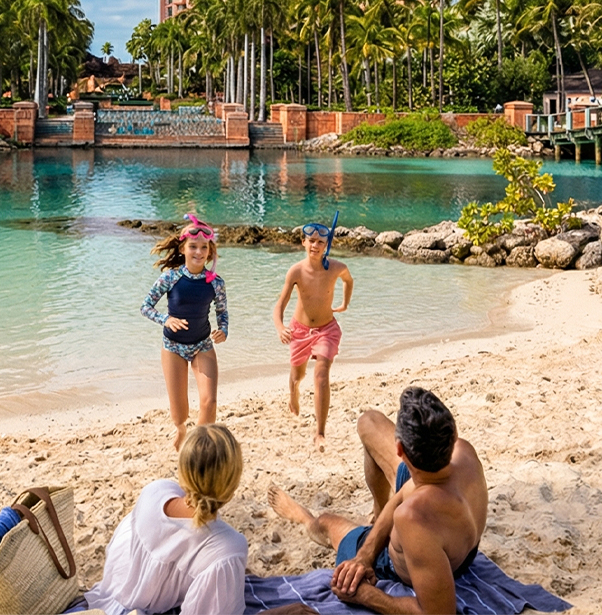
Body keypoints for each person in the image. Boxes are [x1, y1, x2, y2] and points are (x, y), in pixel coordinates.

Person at [269, 387, 487, 615]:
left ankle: (303, 517)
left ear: (400, 449)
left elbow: (439, 613)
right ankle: (377, 510)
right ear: (452, 435)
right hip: (457, 533)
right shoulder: (464, 453)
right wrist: (365, 555)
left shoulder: (413, 517)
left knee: (326, 522)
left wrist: (366, 595)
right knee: (369, 421)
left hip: (418, 558)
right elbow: (405, 494)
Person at [84, 424, 247, 615]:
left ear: (183, 471)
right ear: (232, 481)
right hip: (144, 603)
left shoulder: (156, 490)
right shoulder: (227, 547)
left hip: (115, 589)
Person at [142, 215, 230, 449]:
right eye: (193, 246)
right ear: (183, 248)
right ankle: (181, 430)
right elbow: (145, 307)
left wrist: (224, 330)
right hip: (173, 347)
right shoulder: (170, 277)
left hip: (202, 344)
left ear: (210, 251)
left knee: (209, 402)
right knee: (180, 413)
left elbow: (222, 312)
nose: (198, 252)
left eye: (204, 247)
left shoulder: (216, 283)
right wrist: (166, 319)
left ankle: (197, 446)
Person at [271, 216, 354, 451]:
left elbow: (349, 280)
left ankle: (319, 432)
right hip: (299, 331)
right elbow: (280, 305)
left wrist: (345, 303)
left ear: (326, 245)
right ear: (303, 243)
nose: (316, 246)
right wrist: (280, 327)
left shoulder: (337, 267)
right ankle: (293, 394)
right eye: (312, 241)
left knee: (321, 374)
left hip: (327, 329)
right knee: (297, 377)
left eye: (320, 242)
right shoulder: (296, 271)